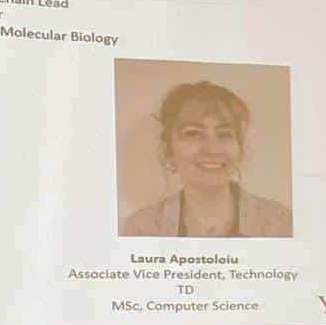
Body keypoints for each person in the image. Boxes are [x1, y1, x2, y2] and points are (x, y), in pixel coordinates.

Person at [120, 80, 292, 238]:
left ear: (240, 150)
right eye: (193, 133)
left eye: (225, 134)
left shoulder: (279, 223)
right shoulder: (141, 228)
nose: (212, 149)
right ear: (169, 151)